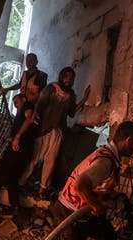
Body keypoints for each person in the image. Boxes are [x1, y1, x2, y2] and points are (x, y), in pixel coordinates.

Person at [19, 67, 90, 199]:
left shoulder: (71, 94)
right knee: (35, 157)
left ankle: (42, 188)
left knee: (50, 160)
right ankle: (21, 182)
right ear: (62, 76)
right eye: (67, 76)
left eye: (72, 78)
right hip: (44, 129)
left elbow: (72, 112)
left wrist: (84, 99)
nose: (69, 80)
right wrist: (33, 119)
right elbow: (39, 105)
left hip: (58, 131)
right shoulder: (51, 88)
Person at [0, 93, 38, 214]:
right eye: (13, 101)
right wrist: (12, 138)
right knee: (12, 179)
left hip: (17, 149)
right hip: (24, 151)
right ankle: (15, 207)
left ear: (24, 98)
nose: (14, 102)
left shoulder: (27, 106)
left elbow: (30, 118)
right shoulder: (20, 114)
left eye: (16, 100)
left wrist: (17, 137)